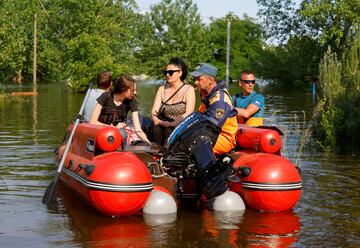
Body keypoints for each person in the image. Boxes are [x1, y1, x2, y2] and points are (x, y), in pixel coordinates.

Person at [163, 63, 238, 199]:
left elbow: (210, 127)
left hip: (222, 138)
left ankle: (214, 185)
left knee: (195, 143)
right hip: (208, 134)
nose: (195, 82)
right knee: (185, 142)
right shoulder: (208, 95)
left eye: (199, 79)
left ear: (210, 80)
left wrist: (188, 141)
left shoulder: (220, 99)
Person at [90, 75, 151, 145]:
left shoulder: (132, 101)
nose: (135, 93)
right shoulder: (105, 96)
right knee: (122, 133)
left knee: (123, 133)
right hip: (101, 131)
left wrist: (148, 144)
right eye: (132, 90)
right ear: (123, 89)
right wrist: (113, 127)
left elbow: (138, 129)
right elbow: (93, 122)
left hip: (118, 133)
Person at [151, 57, 196, 146]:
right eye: (166, 72)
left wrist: (172, 124)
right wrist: (156, 120)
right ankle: (155, 155)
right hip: (162, 123)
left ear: (180, 73)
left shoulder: (189, 89)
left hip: (179, 124)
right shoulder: (161, 89)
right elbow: (153, 111)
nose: (167, 75)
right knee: (156, 129)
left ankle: (168, 156)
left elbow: (189, 113)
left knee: (170, 131)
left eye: (170, 72)